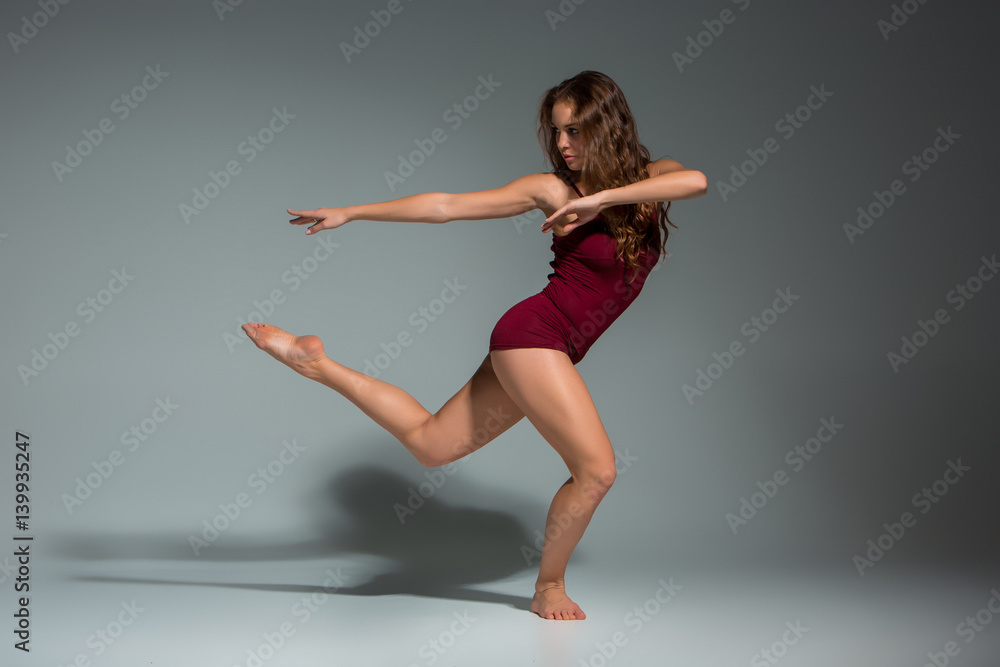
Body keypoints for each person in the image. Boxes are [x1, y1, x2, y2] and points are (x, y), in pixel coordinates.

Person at [241, 70, 707, 620]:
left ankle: (315, 363)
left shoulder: (653, 178)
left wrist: (603, 200)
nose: (563, 145)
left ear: (609, 126)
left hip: (549, 345)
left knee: (430, 445)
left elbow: (694, 181)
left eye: (576, 131)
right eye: (557, 132)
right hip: (536, 336)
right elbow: (445, 205)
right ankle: (549, 586)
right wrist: (354, 211)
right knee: (597, 470)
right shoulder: (552, 190)